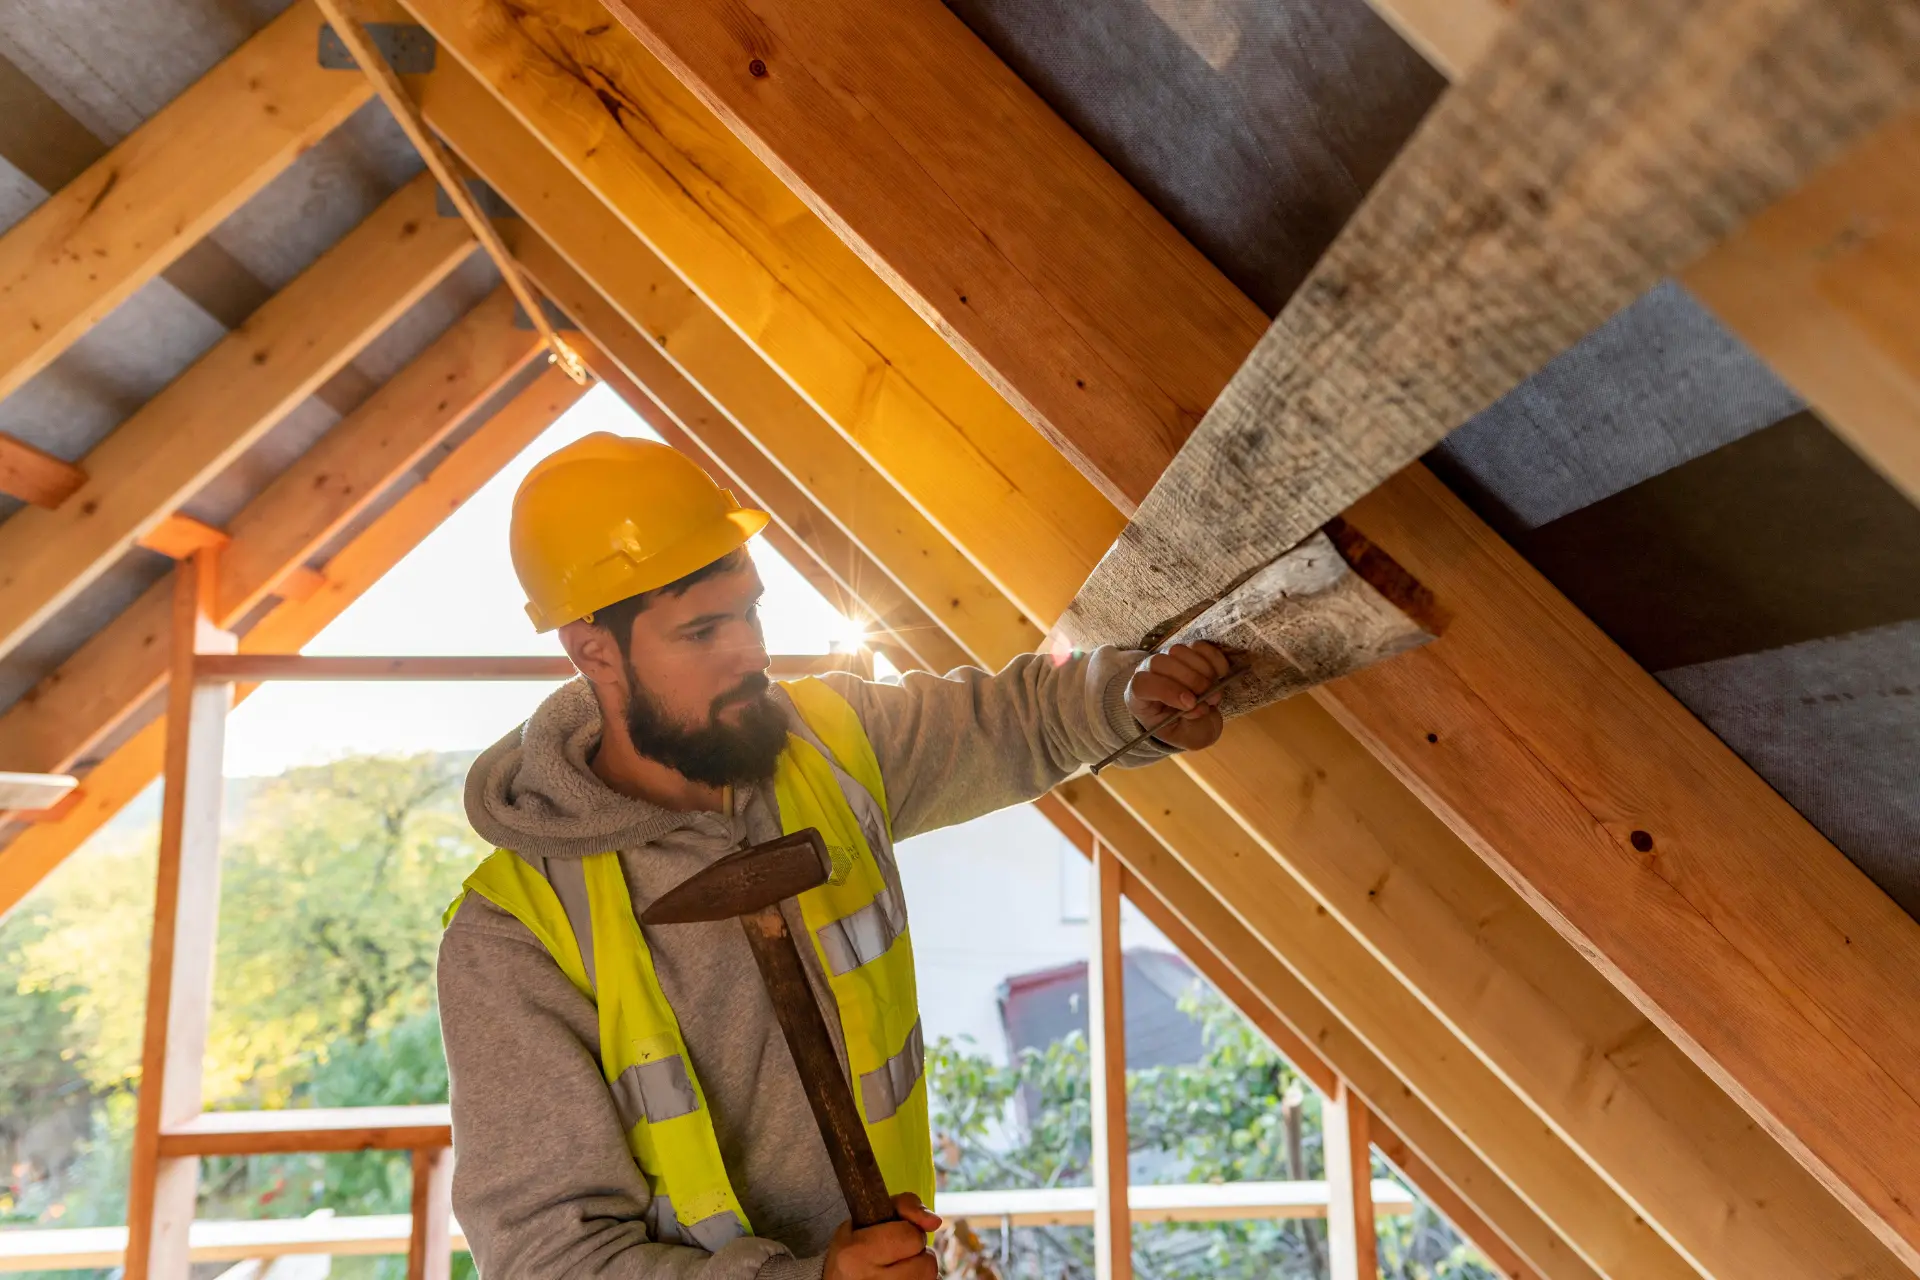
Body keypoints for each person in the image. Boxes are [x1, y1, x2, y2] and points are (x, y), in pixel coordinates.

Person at [440, 434, 1229, 1279]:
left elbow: (1019, 720)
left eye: (749, 610)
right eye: (703, 631)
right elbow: (547, 1259)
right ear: (593, 650)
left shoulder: (831, 746)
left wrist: (1130, 700)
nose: (750, 653)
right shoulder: (517, 934)